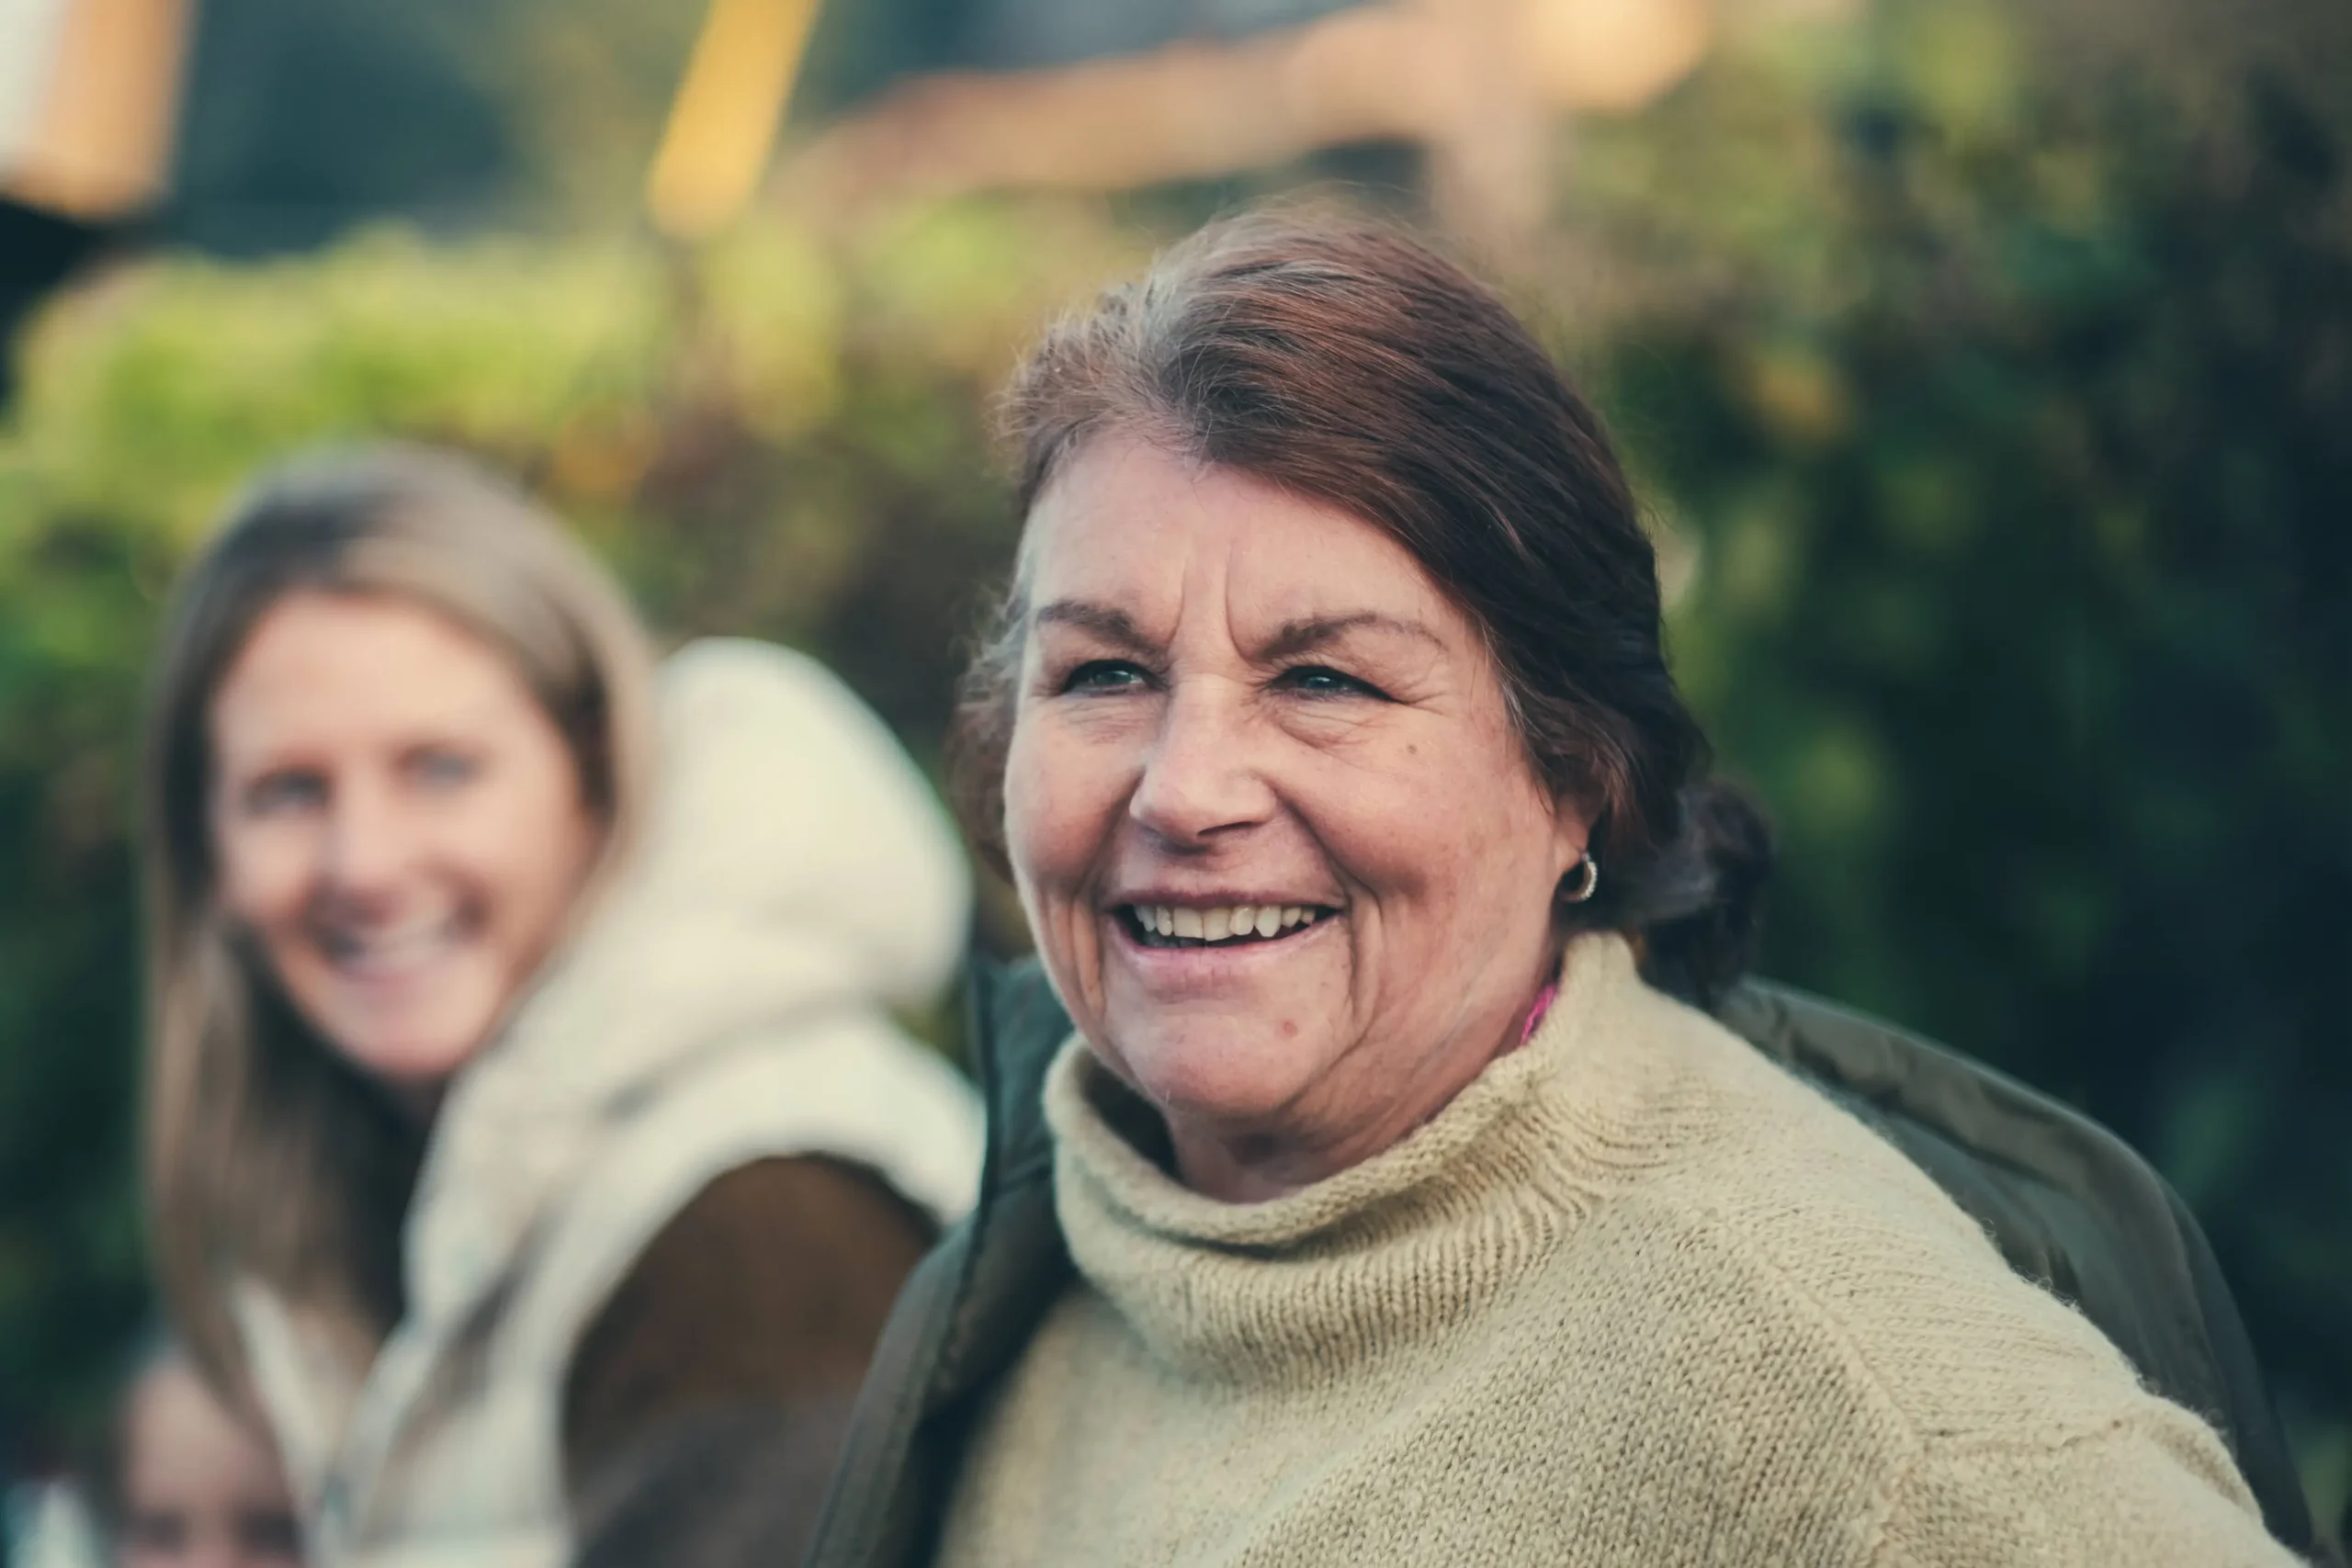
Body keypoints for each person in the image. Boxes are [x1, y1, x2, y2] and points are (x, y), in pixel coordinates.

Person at [800, 213, 2308, 1567]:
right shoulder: (1045, 1265)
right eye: (1105, 672)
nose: (1186, 789)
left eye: (1324, 678)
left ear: (1577, 774)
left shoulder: (1862, 1403)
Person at [139, 446, 983, 1568]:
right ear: (210, 858)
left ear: (592, 784)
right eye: (288, 792)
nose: (365, 862)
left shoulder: (753, 1215)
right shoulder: (420, 1213)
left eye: (440, 769)